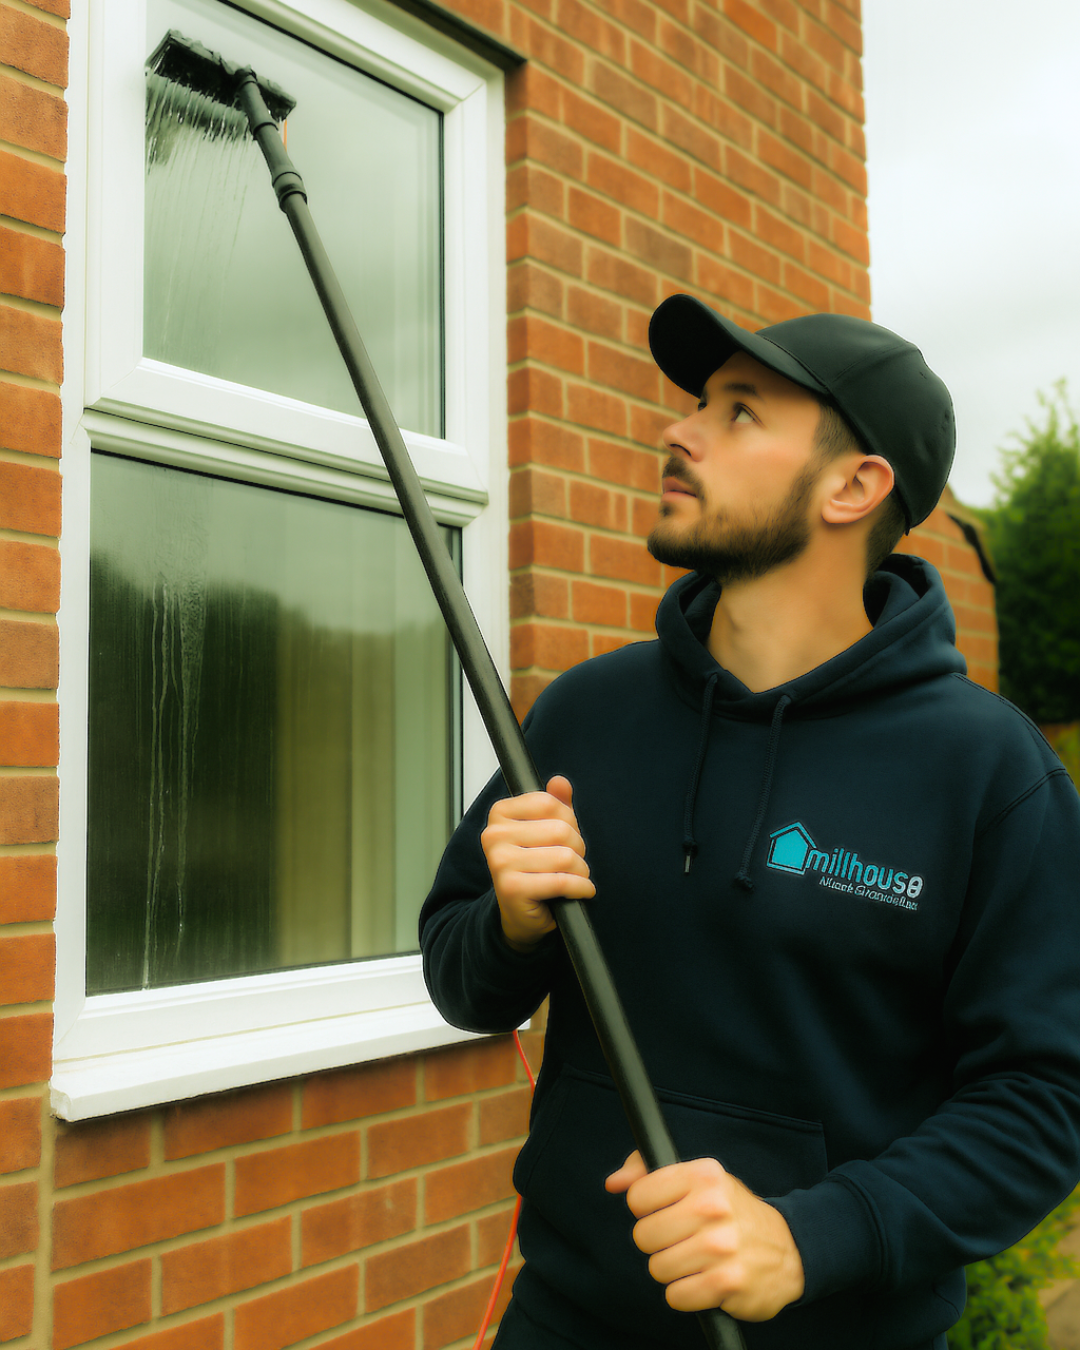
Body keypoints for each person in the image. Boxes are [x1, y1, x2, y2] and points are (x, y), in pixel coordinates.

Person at [419, 294, 1080, 1350]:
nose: (678, 432)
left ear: (855, 485)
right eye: (696, 404)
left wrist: (813, 1238)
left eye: (739, 412)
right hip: (561, 1325)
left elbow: (1046, 1096)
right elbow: (460, 980)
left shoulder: (989, 772)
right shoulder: (587, 713)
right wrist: (508, 926)